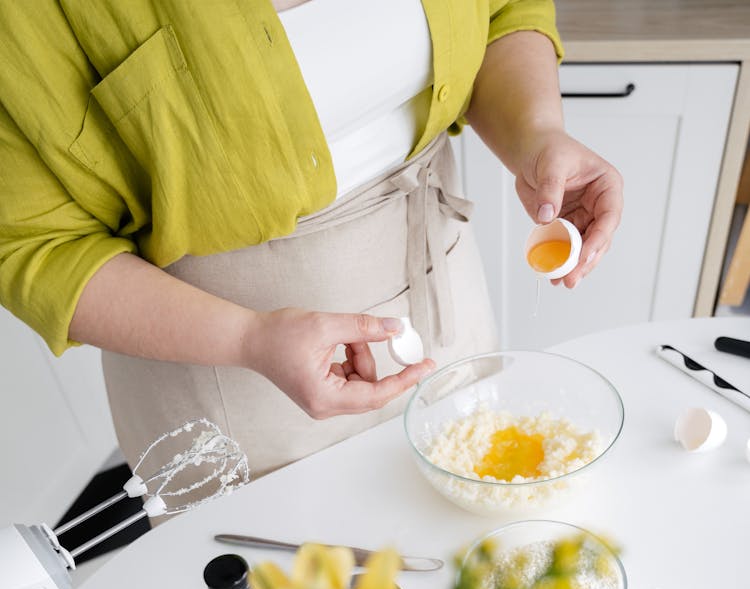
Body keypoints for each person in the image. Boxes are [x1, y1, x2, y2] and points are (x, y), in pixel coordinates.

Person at [0, 1, 623, 480]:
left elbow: (500, 12)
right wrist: (248, 338)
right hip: (229, 375)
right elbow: (37, 246)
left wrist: (536, 131)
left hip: (443, 300)